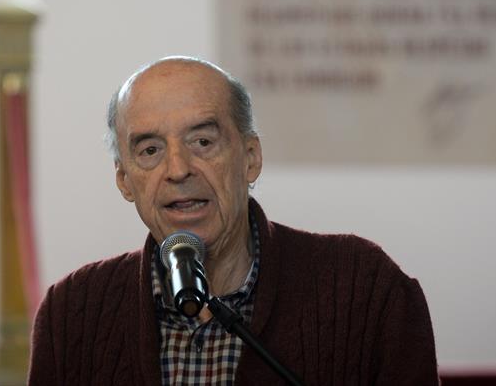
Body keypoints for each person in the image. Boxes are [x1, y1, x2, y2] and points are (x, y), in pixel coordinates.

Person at [28, 56, 439, 385]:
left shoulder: (365, 288)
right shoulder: (72, 313)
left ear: (250, 158)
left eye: (203, 141)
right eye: (150, 150)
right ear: (124, 180)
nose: (178, 169)